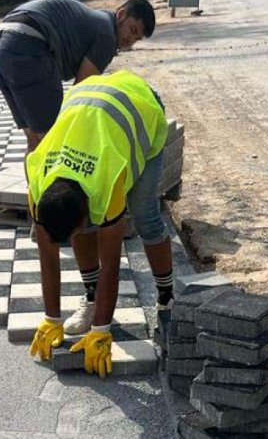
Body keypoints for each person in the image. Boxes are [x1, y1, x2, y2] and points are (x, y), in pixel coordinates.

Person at [26, 70, 175, 378]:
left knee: (145, 215)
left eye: (80, 227)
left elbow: (112, 265)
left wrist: (101, 331)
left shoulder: (107, 183)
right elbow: (47, 259)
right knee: (83, 228)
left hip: (139, 107)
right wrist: (51, 318)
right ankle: (91, 298)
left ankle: (167, 298)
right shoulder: (39, 182)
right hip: (88, 105)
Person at [0, 0, 156, 153]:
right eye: (132, 30)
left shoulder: (98, 21)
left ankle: (35, 187)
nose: (130, 41)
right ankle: (51, 186)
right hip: (28, 45)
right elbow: (81, 93)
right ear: (121, 15)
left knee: (35, 143)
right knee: (53, 144)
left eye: (137, 39)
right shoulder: (107, 36)